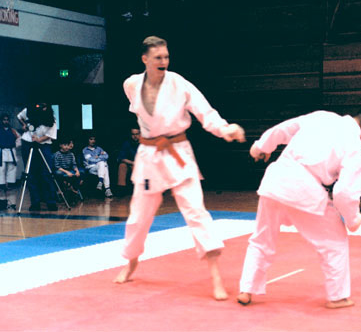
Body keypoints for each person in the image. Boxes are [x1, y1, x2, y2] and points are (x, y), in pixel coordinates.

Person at [114, 36, 246, 301]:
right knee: (139, 216)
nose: (164, 62)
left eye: (166, 57)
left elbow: (205, 112)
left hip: (177, 154)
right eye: (158, 58)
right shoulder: (131, 84)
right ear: (145, 60)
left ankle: (216, 276)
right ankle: (131, 261)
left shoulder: (179, 84)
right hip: (149, 156)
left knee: (196, 211)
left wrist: (225, 129)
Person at [236, 100, 361, 309]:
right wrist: (354, 219)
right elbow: (344, 193)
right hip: (306, 190)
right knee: (335, 242)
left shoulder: (322, 117)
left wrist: (260, 147)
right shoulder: (354, 145)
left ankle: (246, 290)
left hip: (277, 178)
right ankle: (338, 297)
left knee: (261, 238)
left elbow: (283, 130)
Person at [17, 101, 58, 211]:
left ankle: (51, 201)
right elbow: (19, 116)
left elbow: (51, 135)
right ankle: (35, 202)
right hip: (28, 143)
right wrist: (24, 125)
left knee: (46, 173)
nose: (42, 108)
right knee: (31, 173)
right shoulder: (29, 111)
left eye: (44, 106)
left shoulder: (51, 118)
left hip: (44, 145)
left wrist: (39, 139)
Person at [0, 114, 21, 210]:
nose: (6, 121)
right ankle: (2, 188)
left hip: (11, 151)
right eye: (4, 120)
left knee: (12, 170)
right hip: (1, 151)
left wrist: (14, 145)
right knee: (1, 170)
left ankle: (11, 201)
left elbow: (19, 139)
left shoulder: (13, 131)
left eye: (7, 120)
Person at [82, 133, 113, 198]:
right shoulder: (85, 150)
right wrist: (100, 157)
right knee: (104, 164)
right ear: (88, 140)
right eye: (91, 139)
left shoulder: (99, 148)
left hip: (100, 168)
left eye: (94, 139)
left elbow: (107, 156)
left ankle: (101, 183)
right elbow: (90, 160)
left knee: (103, 165)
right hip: (91, 168)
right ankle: (107, 189)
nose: (93, 141)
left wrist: (97, 157)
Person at [116, 126, 140, 196]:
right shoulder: (127, 143)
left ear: (140, 134)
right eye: (133, 134)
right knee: (122, 166)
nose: (135, 136)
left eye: (137, 134)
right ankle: (121, 189)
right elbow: (122, 158)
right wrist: (133, 163)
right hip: (131, 163)